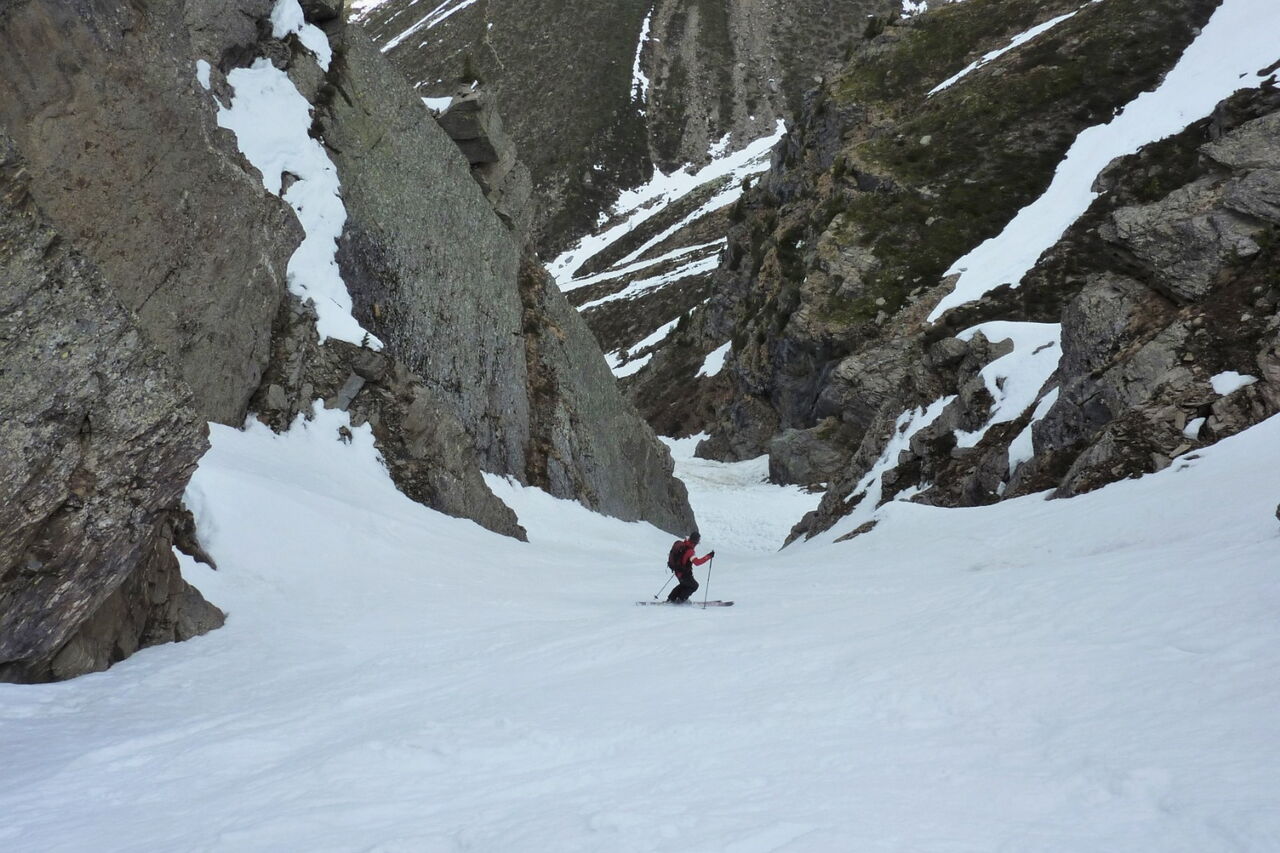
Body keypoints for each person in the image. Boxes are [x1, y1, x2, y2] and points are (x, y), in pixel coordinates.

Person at [668, 530, 714, 604]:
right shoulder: (689, 551)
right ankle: (681, 599)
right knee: (694, 586)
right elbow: (697, 562)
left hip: (678, 571)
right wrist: (709, 556)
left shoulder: (684, 545)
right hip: (684, 573)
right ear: (695, 542)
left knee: (685, 585)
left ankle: (671, 598)